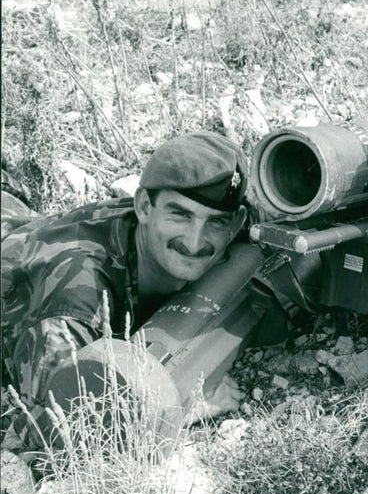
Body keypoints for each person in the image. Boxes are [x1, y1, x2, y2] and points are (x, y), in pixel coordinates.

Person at [1, 132, 278, 450]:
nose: (195, 241)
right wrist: (181, 408)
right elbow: (53, 431)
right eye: (181, 215)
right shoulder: (77, 296)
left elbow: (267, 217)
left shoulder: (220, 224)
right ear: (144, 206)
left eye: (216, 222)